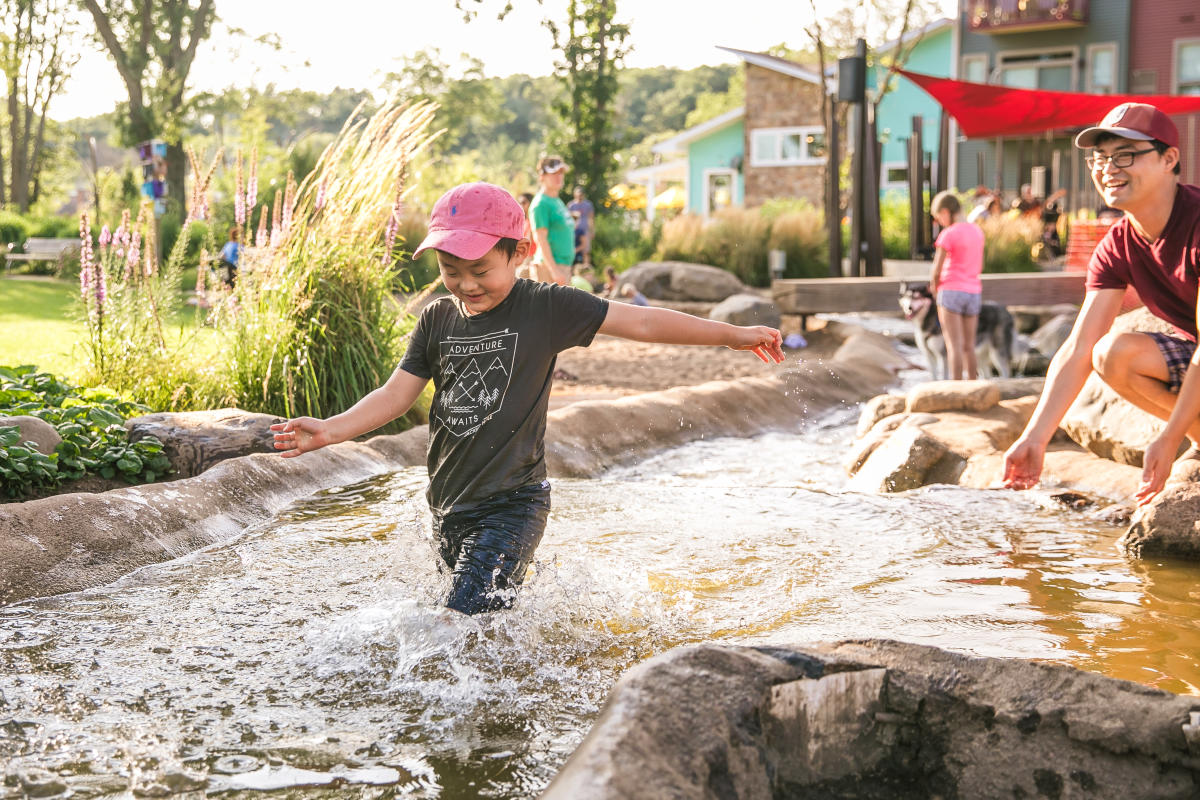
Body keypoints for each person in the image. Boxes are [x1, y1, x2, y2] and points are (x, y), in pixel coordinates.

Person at [271, 182, 784, 615]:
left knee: (459, 624)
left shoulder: (546, 307)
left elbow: (643, 320)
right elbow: (395, 395)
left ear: (519, 253)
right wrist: (332, 429)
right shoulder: (437, 318)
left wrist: (732, 335)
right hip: (449, 505)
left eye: (480, 270)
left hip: (512, 502)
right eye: (452, 270)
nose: (465, 285)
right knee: (481, 627)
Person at [1002, 102, 1199, 505]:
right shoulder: (1118, 244)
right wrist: (1035, 437)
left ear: (1169, 159)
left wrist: (1169, 436)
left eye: (1126, 155)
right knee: (1111, 353)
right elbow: (1079, 347)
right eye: (1100, 157)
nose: (1109, 167)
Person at [928, 190, 986, 380]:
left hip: (951, 291)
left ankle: (956, 388)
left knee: (954, 346)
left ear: (945, 212)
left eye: (938, 217)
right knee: (969, 346)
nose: (939, 222)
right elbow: (980, 265)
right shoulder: (977, 231)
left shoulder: (948, 234)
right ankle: (972, 384)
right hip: (973, 292)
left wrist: (935, 290)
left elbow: (936, 270)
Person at [530, 156, 574, 285]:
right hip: (549, 269)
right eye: (553, 173)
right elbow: (540, 239)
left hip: (562, 267)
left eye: (561, 172)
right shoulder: (541, 203)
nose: (558, 177)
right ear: (542, 176)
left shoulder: (557, 201)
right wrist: (554, 271)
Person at [568, 186, 595, 268]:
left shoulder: (588, 204)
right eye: (578, 194)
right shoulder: (571, 205)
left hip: (585, 229)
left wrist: (592, 230)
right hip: (574, 231)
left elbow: (591, 218)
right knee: (574, 249)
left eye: (581, 194)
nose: (580, 196)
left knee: (586, 250)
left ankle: (586, 268)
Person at [515, 192, 537, 279]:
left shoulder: (534, 220)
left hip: (530, 258)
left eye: (524, 202)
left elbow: (529, 240)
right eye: (519, 203)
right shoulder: (525, 221)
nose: (521, 205)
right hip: (524, 257)